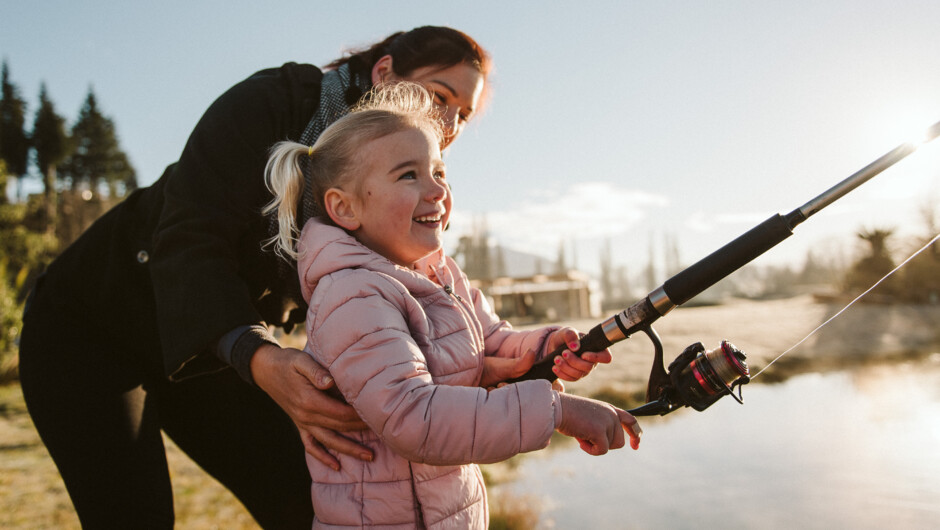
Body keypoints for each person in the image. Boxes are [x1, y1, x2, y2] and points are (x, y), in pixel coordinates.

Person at [17, 26, 606, 528]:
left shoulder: (387, 185)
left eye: (462, 115)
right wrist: (259, 357)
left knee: (312, 501)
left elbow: (405, 298)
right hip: (94, 328)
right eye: (439, 95)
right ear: (383, 72)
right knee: (132, 517)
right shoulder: (272, 102)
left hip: (218, 349)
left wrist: (486, 361)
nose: (448, 121)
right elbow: (189, 238)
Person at [263, 82, 642, 528]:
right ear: (344, 209)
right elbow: (414, 417)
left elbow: (492, 341)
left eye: (439, 173)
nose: (437, 191)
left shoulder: (440, 273)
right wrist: (560, 411)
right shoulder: (353, 295)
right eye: (409, 175)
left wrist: (544, 348)